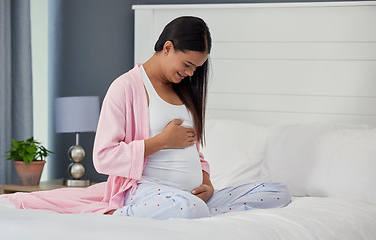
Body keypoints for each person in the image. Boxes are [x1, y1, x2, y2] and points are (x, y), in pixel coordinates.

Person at [92, 16, 291, 220]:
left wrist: (208, 184)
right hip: (148, 191)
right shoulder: (125, 87)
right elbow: (103, 157)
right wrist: (163, 141)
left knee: (277, 193)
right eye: (187, 64)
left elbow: (194, 153)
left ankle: (196, 210)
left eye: (195, 68)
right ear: (167, 48)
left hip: (191, 196)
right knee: (190, 207)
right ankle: (118, 214)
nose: (190, 73)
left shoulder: (184, 91)